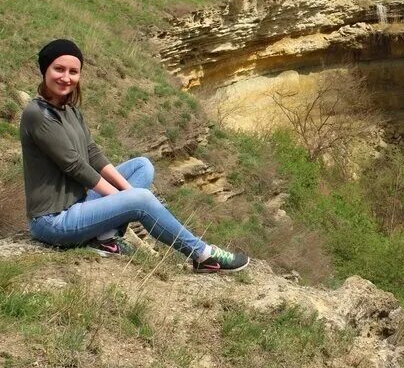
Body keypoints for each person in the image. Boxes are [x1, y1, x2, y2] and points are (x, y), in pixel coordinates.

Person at [20, 39, 250, 273]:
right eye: (58, 69)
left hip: (78, 205)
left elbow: (92, 154)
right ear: (45, 70)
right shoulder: (37, 114)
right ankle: (203, 256)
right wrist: (126, 200)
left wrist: (125, 194)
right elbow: (74, 166)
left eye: (73, 71)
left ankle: (104, 238)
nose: (66, 77)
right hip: (54, 221)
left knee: (142, 166)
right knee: (140, 199)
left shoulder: (70, 110)